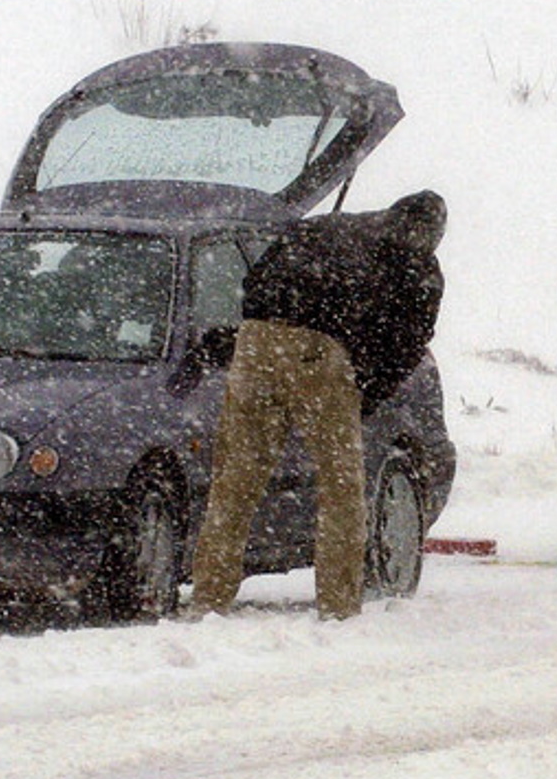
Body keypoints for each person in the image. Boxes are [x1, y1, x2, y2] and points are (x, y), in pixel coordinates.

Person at [189, 190, 447, 619]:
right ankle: (338, 606)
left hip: (255, 341)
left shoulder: (326, 226)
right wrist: (363, 394)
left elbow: (255, 281)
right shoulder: (414, 262)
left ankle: (207, 600)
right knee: (340, 488)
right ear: (431, 233)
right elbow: (405, 345)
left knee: (235, 483)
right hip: (320, 352)